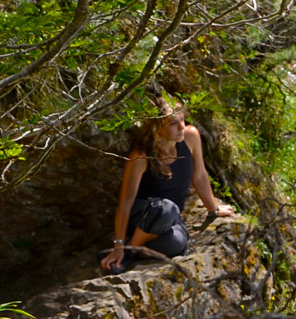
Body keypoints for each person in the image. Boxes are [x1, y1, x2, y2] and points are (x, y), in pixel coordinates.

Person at [100, 102, 235, 273]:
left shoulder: (191, 136)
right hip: (145, 216)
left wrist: (214, 209)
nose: (181, 127)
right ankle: (126, 252)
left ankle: (134, 248)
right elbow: (125, 203)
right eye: (173, 123)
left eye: (182, 120)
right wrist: (118, 244)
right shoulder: (140, 157)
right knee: (167, 208)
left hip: (170, 219)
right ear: (156, 129)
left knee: (178, 243)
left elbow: (199, 175)